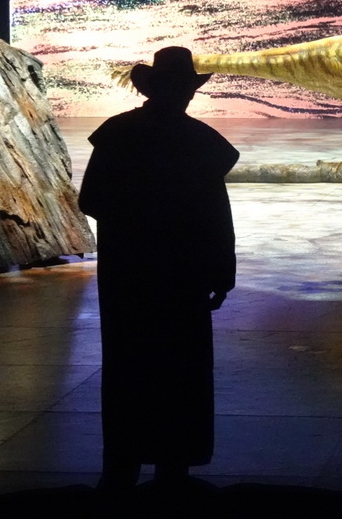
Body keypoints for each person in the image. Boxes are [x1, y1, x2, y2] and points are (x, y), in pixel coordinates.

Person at [78, 46, 239, 491]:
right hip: (181, 276)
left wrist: (136, 222)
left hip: (126, 274)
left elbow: (90, 199)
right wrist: (221, 269)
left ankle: (122, 467)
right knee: (181, 370)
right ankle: (174, 467)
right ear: (185, 90)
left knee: (128, 366)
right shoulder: (201, 142)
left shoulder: (116, 134)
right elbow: (215, 213)